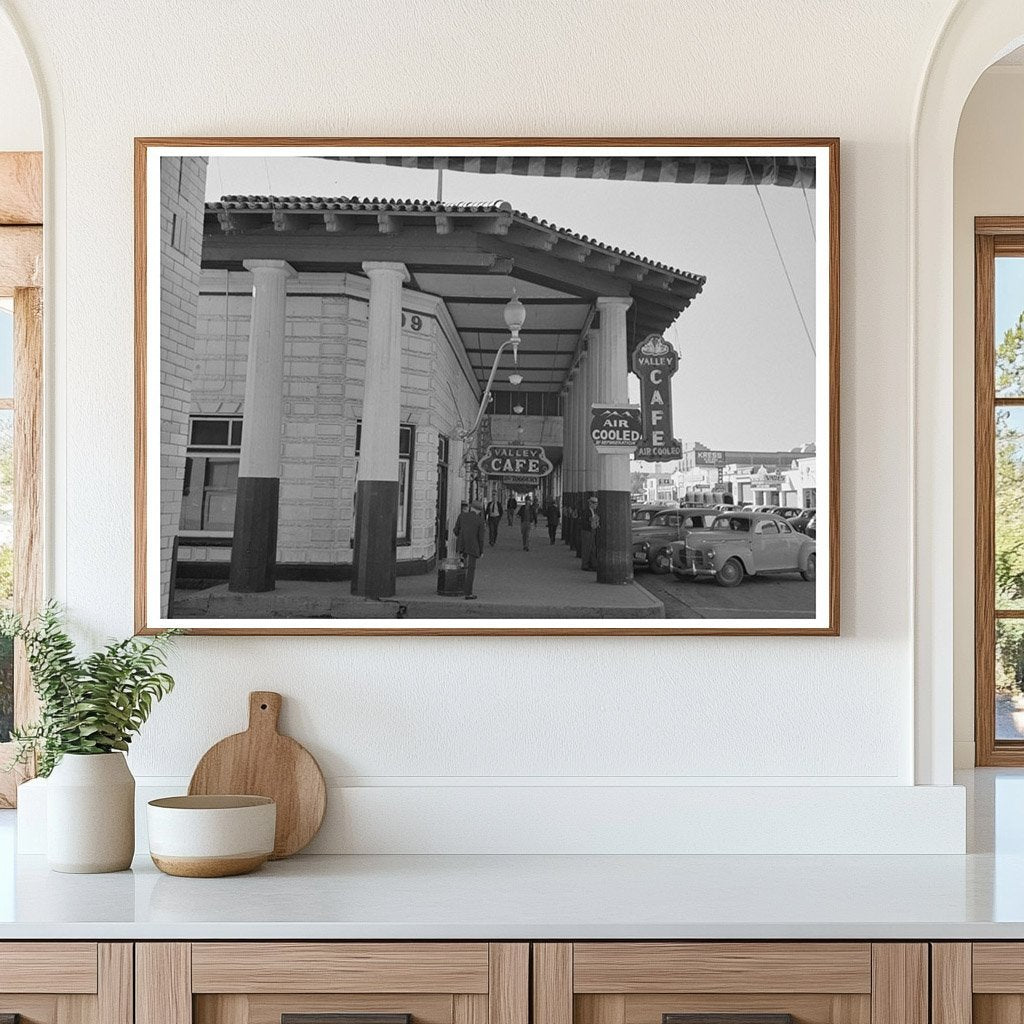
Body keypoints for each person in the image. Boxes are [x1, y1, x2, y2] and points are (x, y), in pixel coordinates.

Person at [453, 500, 486, 600]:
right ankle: (468, 593)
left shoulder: (462, 516)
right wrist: (481, 551)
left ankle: (457, 588)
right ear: (479, 511)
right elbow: (481, 538)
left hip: (461, 546)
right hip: (473, 548)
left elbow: (455, 531)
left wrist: (462, 537)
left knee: (461, 567)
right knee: (471, 570)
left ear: (471, 507)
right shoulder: (480, 521)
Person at [580, 495, 599, 571]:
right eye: (594, 504)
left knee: (592, 548)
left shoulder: (594, 512)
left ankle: (593, 564)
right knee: (586, 548)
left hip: (592, 531)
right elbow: (583, 522)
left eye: (596, 504)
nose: (596, 505)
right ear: (591, 504)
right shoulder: (586, 511)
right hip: (586, 531)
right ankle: (585, 565)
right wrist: (591, 524)